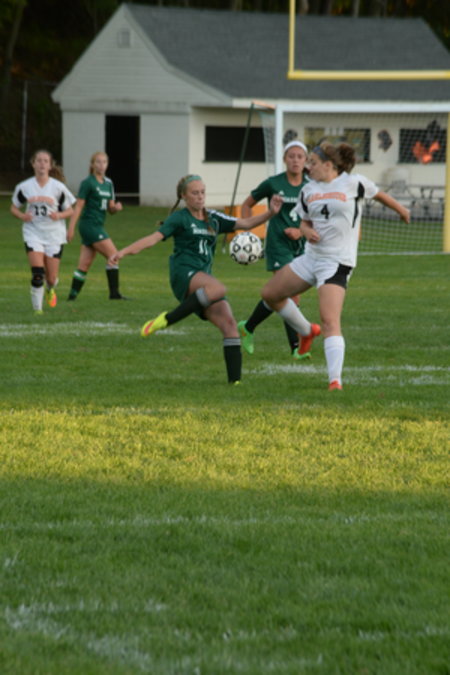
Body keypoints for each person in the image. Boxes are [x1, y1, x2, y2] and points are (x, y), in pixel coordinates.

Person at [261, 141, 410, 391]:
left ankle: (335, 381)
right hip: (311, 257)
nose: (308, 167)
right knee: (270, 294)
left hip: (337, 261)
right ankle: (306, 331)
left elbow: (378, 194)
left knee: (329, 320)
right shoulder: (308, 190)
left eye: (313, 163)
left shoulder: (354, 183)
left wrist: (402, 210)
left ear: (329, 165)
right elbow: (304, 222)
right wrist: (305, 232)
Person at [108, 174, 282, 384]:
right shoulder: (179, 218)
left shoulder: (213, 218)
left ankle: (234, 383)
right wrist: (123, 252)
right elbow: (153, 239)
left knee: (230, 325)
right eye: (195, 193)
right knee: (218, 288)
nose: (200, 197)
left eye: (202, 192)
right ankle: (167, 319)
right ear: (184, 196)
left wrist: (271, 213)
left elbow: (245, 223)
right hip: (183, 274)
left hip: (204, 282)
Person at [237, 140, 309, 358]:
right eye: (291, 156)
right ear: (284, 159)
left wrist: (300, 231)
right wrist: (248, 233)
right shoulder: (273, 183)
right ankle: (296, 348)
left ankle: (248, 327)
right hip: (278, 245)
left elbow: (315, 217)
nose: (295, 160)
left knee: (278, 295)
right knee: (290, 295)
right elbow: (247, 204)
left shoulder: (311, 186)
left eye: (300, 156)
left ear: (305, 161)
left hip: (301, 246)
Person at [11, 149, 76, 314]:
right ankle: (37, 310)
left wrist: (59, 215)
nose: (42, 164)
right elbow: (14, 208)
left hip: (54, 235)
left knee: (51, 278)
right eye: (39, 160)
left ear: (50, 165)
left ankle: (50, 288)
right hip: (33, 233)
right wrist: (22, 216)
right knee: (38, 274)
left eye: (45, 161)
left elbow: (71, 211)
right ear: (33, 164)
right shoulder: (25, 187)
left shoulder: (58, 187)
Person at [67, 151, 126, 300]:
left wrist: (116, 208)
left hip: (98, 225)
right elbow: (78, 206)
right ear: (92, 165)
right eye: (98, 162)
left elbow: (110, 209)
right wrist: (71, 228)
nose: (101, 165)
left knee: (84, 264)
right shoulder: (88, 183)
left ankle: (71, 297)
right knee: (114, 256)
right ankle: (114, 294)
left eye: (104, 162)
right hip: (89, 225)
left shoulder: (109, 183)